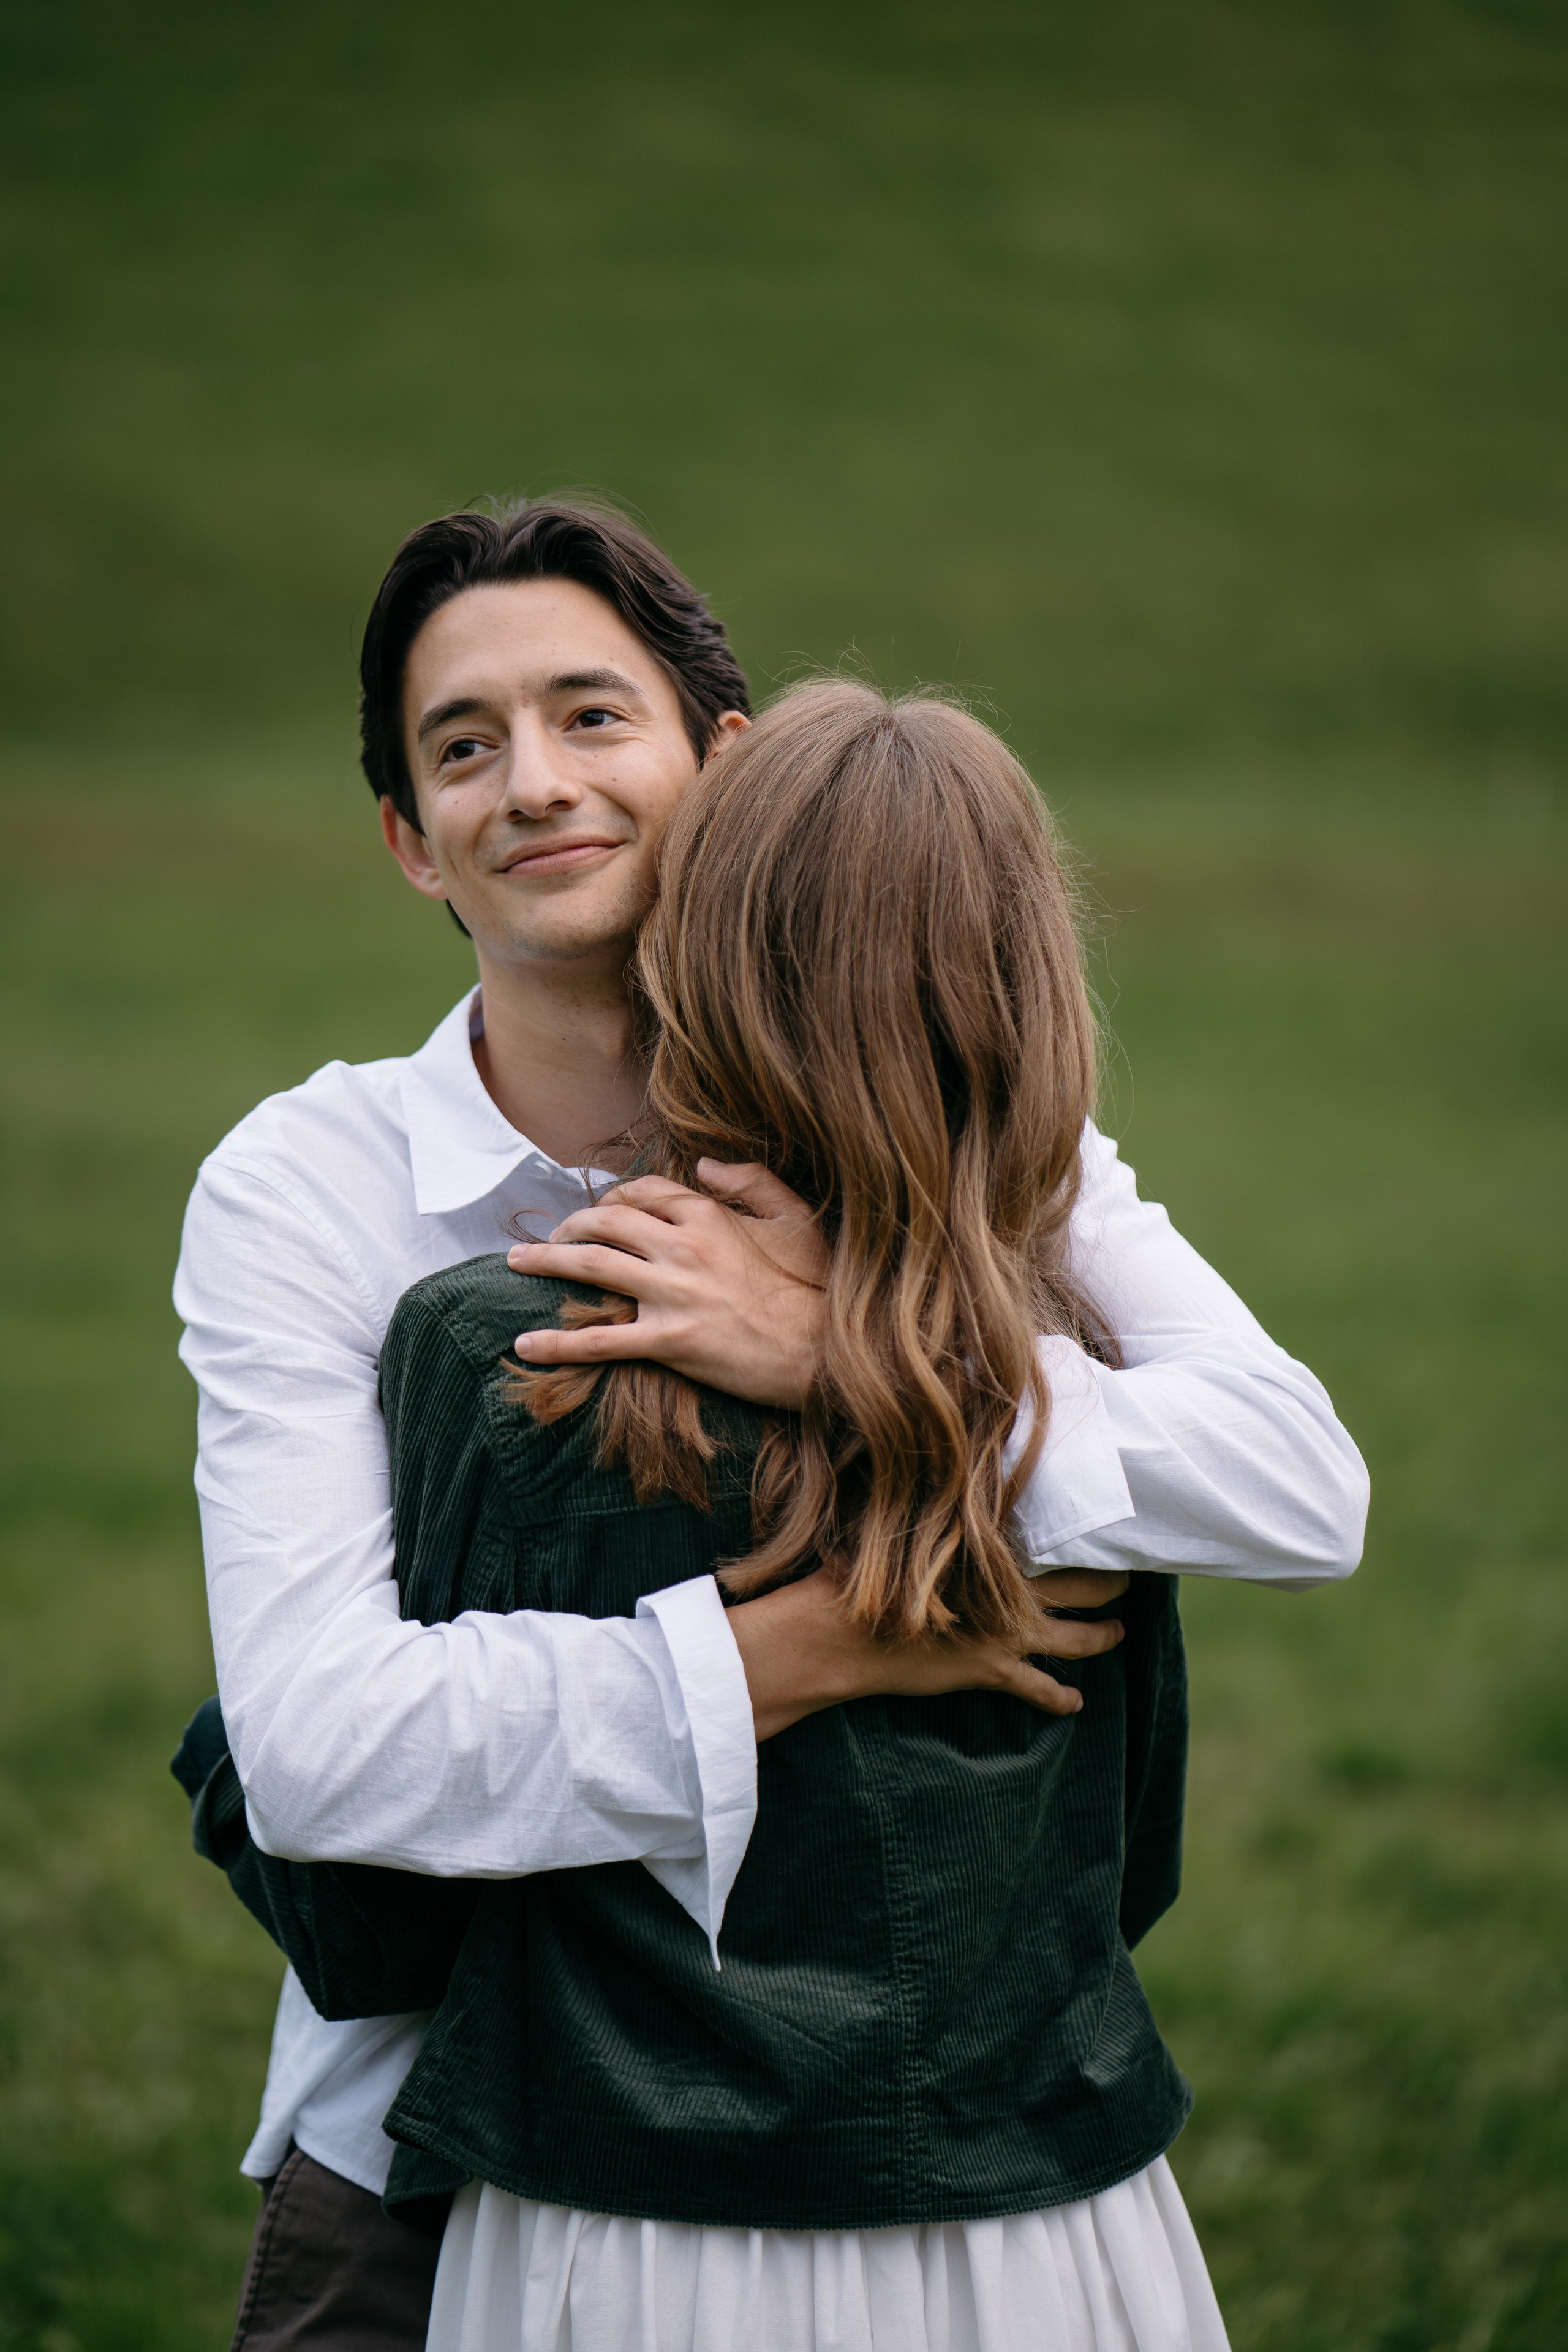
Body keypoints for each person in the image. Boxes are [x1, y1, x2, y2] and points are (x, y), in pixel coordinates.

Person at [173, 500, 1368, 2348]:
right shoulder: (307, 1192)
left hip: (930, 2138)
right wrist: (822, 1642)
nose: (533, 785)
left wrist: (855, 1357)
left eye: (590, 715)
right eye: (463, 748)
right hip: (427, 2133)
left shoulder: (928, 1140)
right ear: (413, 843)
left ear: (721, 762)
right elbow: (324, 1754)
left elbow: (1298, 1483)